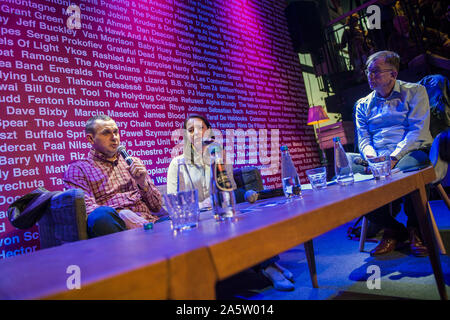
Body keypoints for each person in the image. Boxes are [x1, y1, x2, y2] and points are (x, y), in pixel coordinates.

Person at [167, 114, 295, 291]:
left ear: (208, 131)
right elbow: (175, 202)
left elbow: (229, 189)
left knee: (246, 219)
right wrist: (200, 205)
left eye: (200, 128)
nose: (196, 133)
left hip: (220, 211)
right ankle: (270, 267)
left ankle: (270, 266)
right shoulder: (177, 163)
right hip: (199, 219)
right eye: (190, 130)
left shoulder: (219, 155)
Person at [352, 51, 434, 257]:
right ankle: (395, 229)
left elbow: (417, 130)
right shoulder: (363, 104)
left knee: (409, 171)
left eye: (376, 72)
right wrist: (372, 158)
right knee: (345, 175)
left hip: (410, 150)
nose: (370, 76)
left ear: (393, 74)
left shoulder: (415, 91)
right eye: (368, 72)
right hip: (378, 156)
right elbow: (363, 138)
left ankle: (416, 229)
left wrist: (394, 158)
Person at [63, 115, 163, 238]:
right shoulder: (78, 169)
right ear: (90, 139)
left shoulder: (133, 162)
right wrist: (123, 215)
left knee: (184, 222)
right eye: (106, 133)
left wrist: (142, 183)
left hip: (148, 222)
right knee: (100, 215)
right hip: (116, 228)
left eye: (116, 132)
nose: (114, 137)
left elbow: (157, 207)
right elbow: (87, 210)